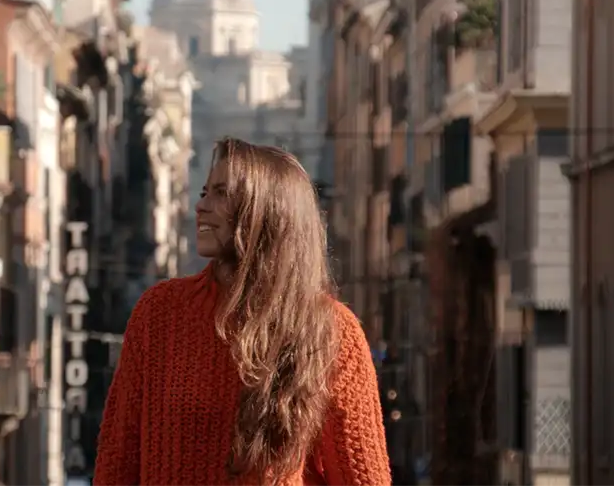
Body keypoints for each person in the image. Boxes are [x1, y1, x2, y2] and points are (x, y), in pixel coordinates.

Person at [93, 138, 391, 485]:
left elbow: (365, 479)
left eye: (222, 193)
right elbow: (116, 463)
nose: (201, 206)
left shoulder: (331, 330)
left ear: (269, 209)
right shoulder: (159, 313)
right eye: (205, 192)